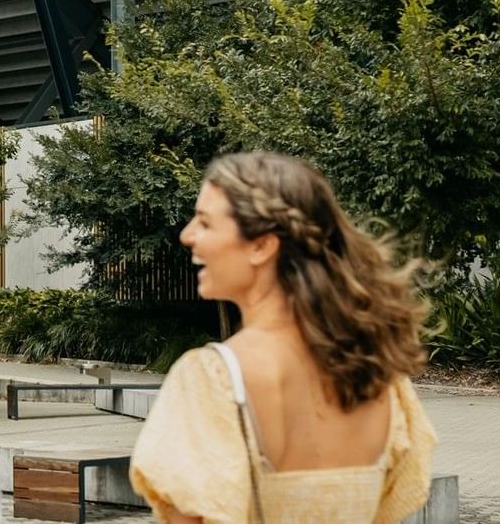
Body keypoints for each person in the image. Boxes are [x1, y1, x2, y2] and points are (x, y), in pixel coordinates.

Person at [130, 152, 436, 524]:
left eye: (206, 223)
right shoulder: (382, 379)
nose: (186, 235)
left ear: (261, 245)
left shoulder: (213, 380)